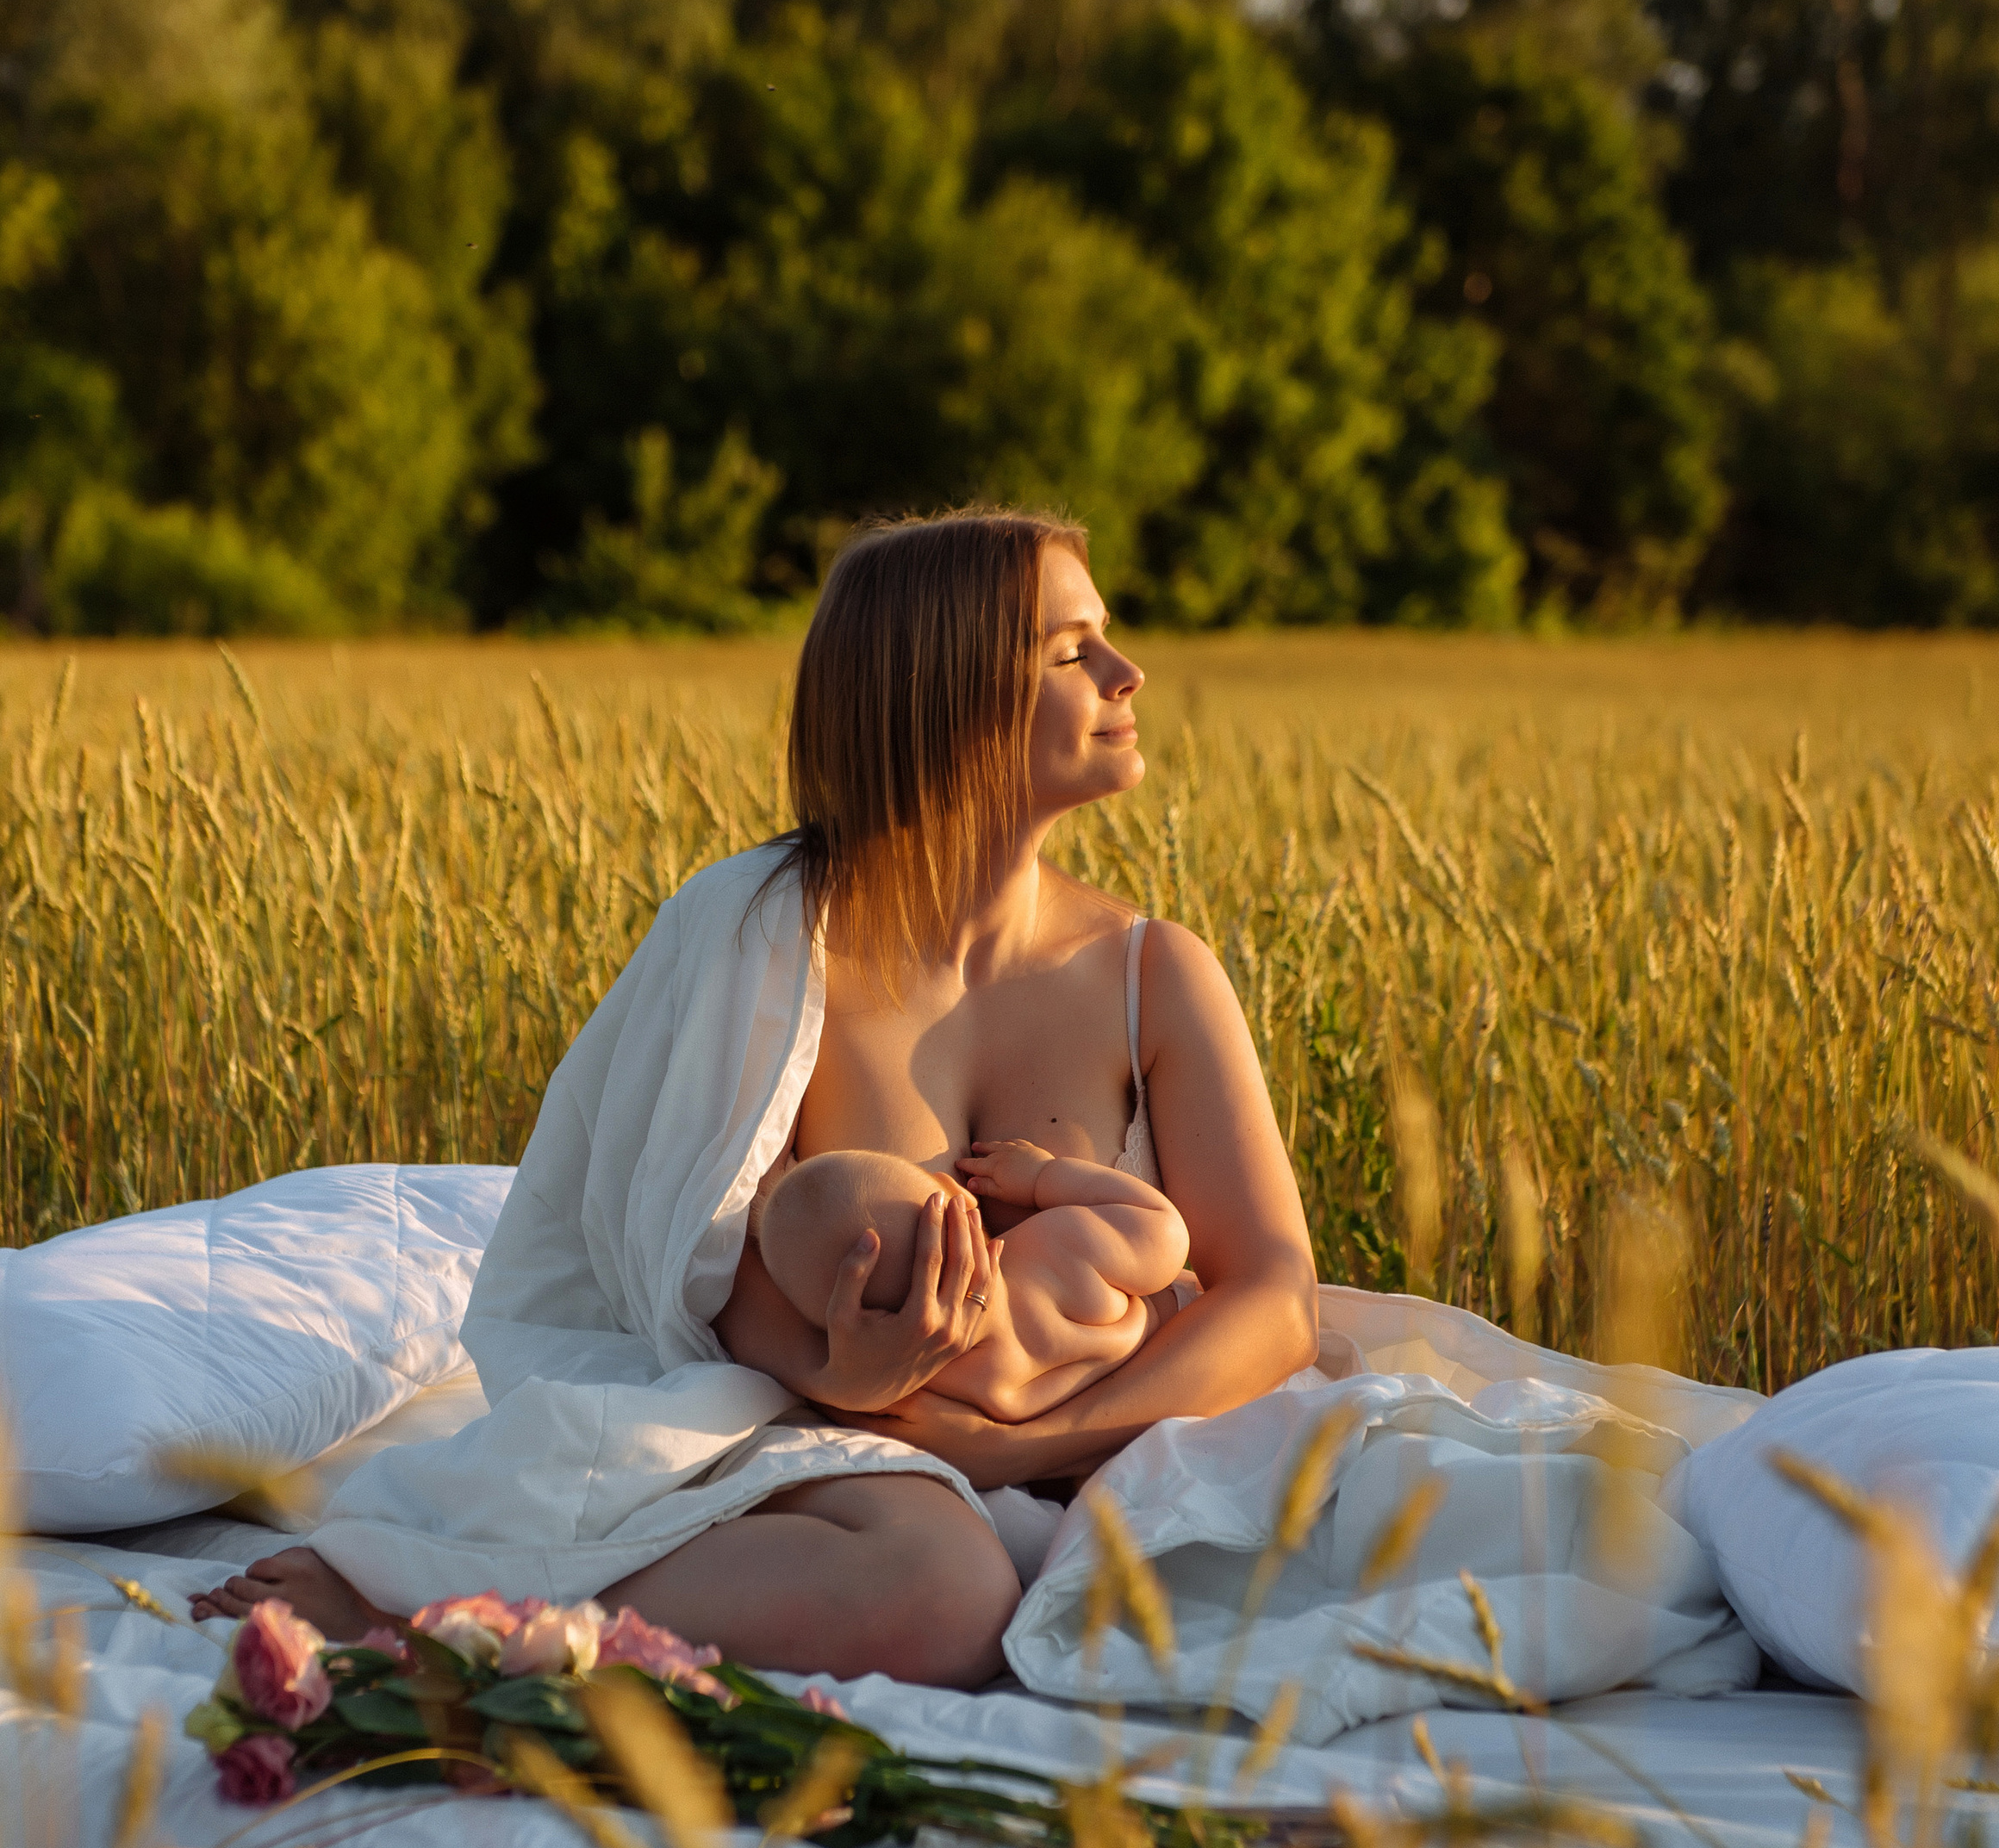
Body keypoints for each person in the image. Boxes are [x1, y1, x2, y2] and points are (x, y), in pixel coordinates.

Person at [194, 509, 1318, 1685]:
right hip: (814, 1427)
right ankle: (432, 1608)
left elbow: (1275, 1295)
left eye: (1107, 638)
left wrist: (1016, 1446)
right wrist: (859, 1378)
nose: (1126, 674)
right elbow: (689, 1271)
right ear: (947, 690)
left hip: (1102, 1426)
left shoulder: (1157, 976)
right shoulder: (758, 938)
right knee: (946, 1591)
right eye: (1069, 650)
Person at [756, 1137, 1200, 1423]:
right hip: (1188, 1349)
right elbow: (1166, 1231)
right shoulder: (1059, 1249)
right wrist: (1043, 1177)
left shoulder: (930, 1385)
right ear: (955, 1191)